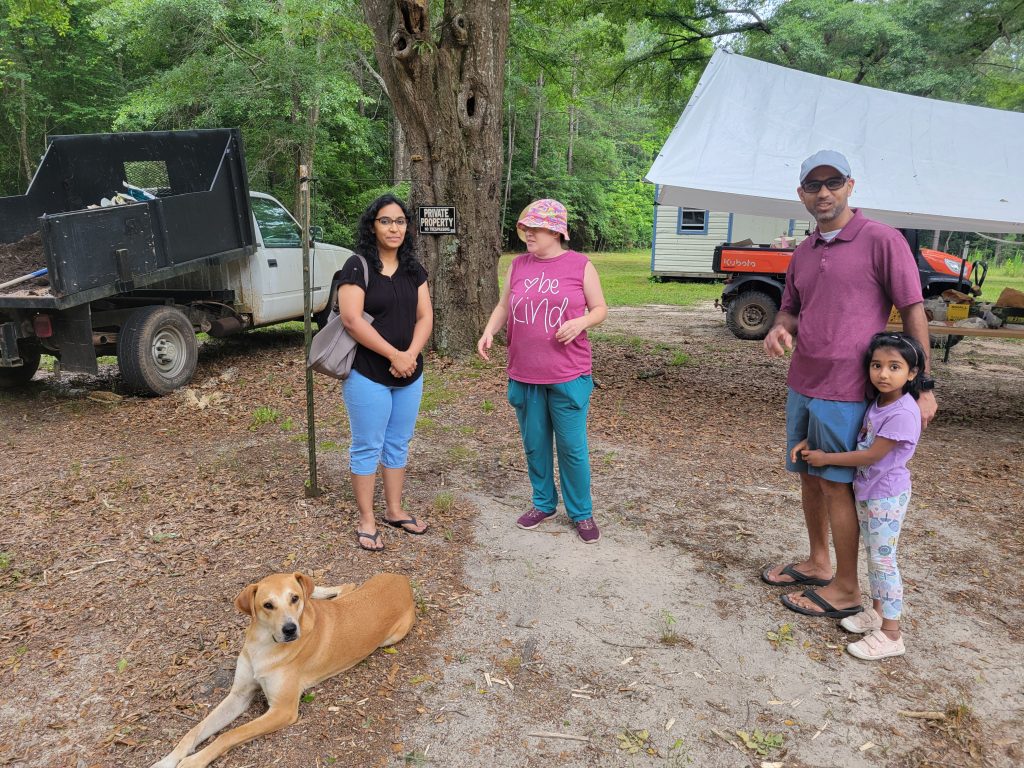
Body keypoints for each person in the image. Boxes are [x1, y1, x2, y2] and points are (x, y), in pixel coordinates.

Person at [760, 150, 937, 618]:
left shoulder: (882, 239)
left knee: (837, 482)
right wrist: (781, 327)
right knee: (809, 474)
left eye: (832, 182)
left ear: (850, 186)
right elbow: (792, 307)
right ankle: (819, 562)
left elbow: (913, 307)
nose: (824, 192)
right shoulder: (803, 250)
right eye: (813, 186)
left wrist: (924, 384)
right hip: (804, 379)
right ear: (801, 195)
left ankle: (846, 587)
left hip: (846, 387)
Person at [477, 199, 608, 543]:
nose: (527, 234)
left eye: (534, 228)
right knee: (534, 444)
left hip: (568, 374)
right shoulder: (518, 265)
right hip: (524, 373)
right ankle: (543, 503)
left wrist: (580, 322)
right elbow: (504, 305)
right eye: (525, 228)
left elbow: (600, 309)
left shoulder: (580, 265)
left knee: (572, 448)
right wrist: (489, 330)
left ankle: (581, 513)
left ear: (555, 231)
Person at [791, 332, 923, 660]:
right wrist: (813, 444)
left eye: (895, 366)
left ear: (912, 373)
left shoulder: (903, 412)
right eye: (877, 365)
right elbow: (861, 440)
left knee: (883, 562)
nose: (883, 373)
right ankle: (876, 615)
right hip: (870, 494)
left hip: (885, 498)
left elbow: (868, 456)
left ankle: (892, 634)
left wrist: (826, 458)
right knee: (875, 558)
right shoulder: (880, 402)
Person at [336, 194, 432, 551]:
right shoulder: (357, 266)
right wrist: (394, 354)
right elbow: (350, 319)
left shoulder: (413, 268)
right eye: (386, 221)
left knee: (398, 443)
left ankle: (394, 509)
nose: (394, 228)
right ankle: (366, 519)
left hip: (410, 373)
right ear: (372, 226)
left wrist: (410, 355)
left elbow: (425, 317)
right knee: (367, 446)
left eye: (400, 221)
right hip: (367, 372)